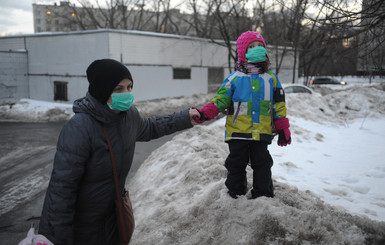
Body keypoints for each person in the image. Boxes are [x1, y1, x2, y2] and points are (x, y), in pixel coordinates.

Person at [38, 58, 200, 244]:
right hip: (83, 227)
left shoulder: (128, 116)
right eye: (118, 89)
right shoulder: (80, 128)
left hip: (114, 219)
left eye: (129, 87)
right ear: (102, 91)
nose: (127, 94)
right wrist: (57, 238)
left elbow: (151, 127)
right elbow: (61, 190)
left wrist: (185, 118)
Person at [193, 31, 291, 199]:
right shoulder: (234, 79)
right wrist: (204, 113)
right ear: (242, 52)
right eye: (251, 47)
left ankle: (264, 195)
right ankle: (235, 192)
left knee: (263, 163)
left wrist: (282, 127)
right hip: (237, 132)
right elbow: (220, 100)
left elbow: (279, 105)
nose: (257, 49)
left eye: (260, 46)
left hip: (261, 132)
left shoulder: (271, 79)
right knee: (236, 163)